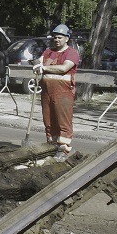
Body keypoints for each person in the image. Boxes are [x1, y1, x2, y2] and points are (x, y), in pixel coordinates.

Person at [34, 23, 80, 160]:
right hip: (47, 92)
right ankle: (51, 146)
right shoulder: (48, 52)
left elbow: (63, 68)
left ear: (67, 38)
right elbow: (39, 60)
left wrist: (43, 68)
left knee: (63, 122)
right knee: (48, 121)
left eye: (60, 37)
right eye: (55, 37)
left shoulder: (71, 53)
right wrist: (36, 63)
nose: (57, 40)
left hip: (63, 93)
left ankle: (63, 149)